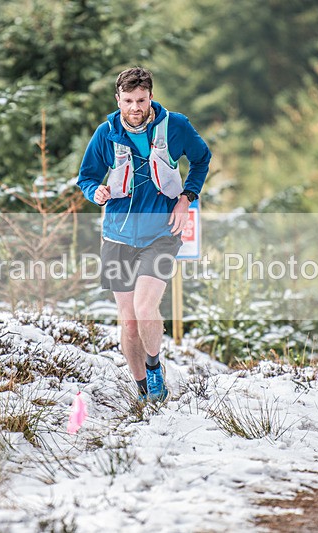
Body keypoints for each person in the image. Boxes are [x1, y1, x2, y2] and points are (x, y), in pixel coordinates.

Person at [77, 67, 211, 402]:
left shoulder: (175, 126)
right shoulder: (106, 134)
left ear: (151, 96)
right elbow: (87, 177)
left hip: (162, 233)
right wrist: (95, 192)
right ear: (118, 99)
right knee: (129, 322)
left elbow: (201, 159)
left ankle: (154, 369)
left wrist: (187, 197)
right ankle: (141, 388)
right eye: (128, 101)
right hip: (117, 235)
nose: (135, 107)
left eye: (141, 100)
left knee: (145, 305)